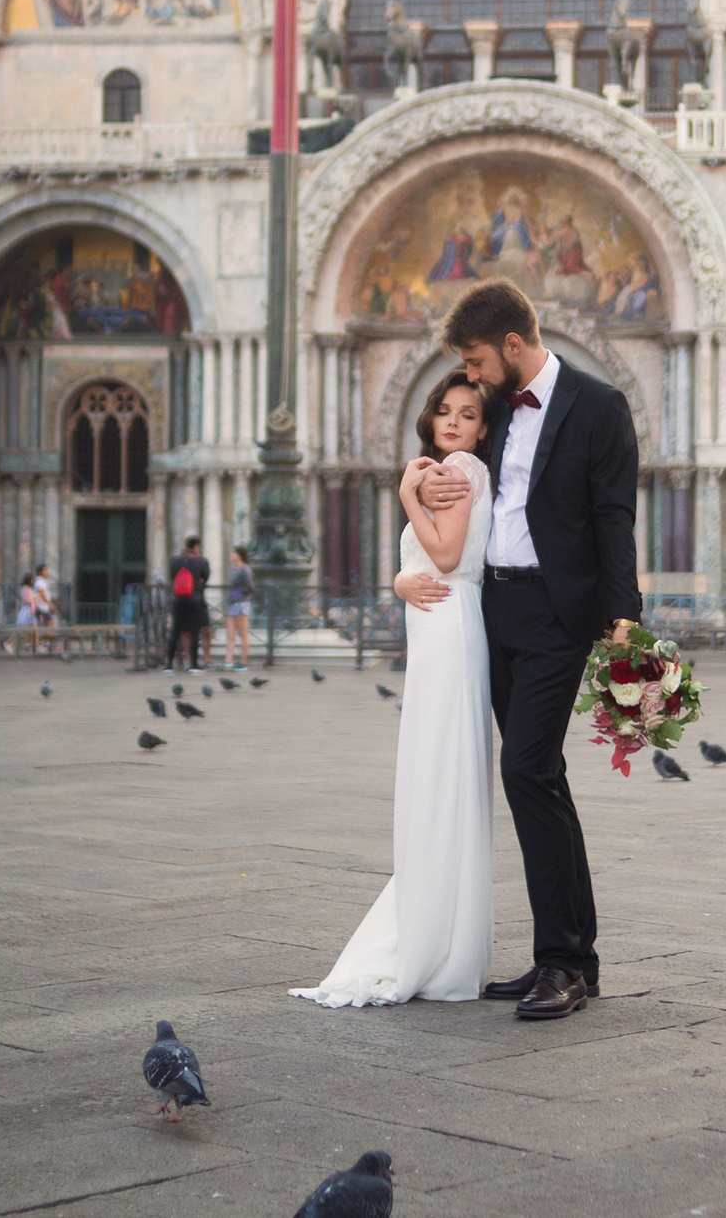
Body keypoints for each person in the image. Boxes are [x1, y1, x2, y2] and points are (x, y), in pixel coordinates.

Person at [396, 280, 639, 1021]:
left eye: (474, 361)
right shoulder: (494, 409)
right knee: (546, 778)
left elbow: (613, 515)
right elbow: (450, 494)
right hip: (488, 608)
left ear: (511, 344)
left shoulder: (600, 406)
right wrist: (405, 568)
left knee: (525, 768)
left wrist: (624, 614)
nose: (469, 377)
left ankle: (561, 962)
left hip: (557, 612)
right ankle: (574, 958)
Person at [292, 371, 496, 1008]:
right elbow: (430, 563)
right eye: (444, 410)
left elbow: (444, 553)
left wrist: (405, 494)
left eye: (468, 413)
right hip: (439, 632)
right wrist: (401, 580)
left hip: (450, 631)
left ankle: (435, 937)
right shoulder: (449, 468)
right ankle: (442, 930)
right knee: (440, 777)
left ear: (483, 428)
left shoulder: (458, 468)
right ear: (429, 417)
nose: (454, 422)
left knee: (440, 775)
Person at [167, 538, 211, 672]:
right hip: (195, 600)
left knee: (175, 631)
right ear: (196, 546)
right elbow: (205, 577)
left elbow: (172, 577)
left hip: (179, 599)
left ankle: (169, 664)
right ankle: (193, 663)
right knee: (194, 631)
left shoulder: (175, 561)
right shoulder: (201, 562)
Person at [223, 548, 255, 669]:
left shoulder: (245, 569)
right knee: (230, 633)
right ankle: (228, 659)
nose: (231, 554)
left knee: (242, 633)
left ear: (240, 555)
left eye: (233, 553)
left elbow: (251, 587)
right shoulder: (236, 569)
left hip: (241, 602)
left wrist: (243, 594)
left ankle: (243, 661)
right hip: (232, 602)